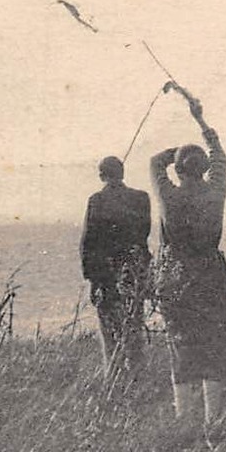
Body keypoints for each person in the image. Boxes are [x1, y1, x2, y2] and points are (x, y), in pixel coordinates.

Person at [149, 86, 226, 427]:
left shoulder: (170, 196)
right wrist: (199, 120)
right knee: (214, 341)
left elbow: (154, 162)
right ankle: (213, 420)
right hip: (211, 273)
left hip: (175, 274)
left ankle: (184, 420)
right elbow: (220, 156)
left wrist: (177, 152)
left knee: (180, 340)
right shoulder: (215, 192)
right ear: (204, 168)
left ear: (178, 170)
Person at [80, 155, 153, 383]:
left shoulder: (97, 200)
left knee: (111, 337)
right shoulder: (141, 199)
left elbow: (88, 243)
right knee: (134, 332)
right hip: (134, 274)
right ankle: (138, 383)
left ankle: (115, 386)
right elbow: (144, 235)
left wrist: (93, 280)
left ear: (102, 175)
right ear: (122, 173)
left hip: (107, 277)